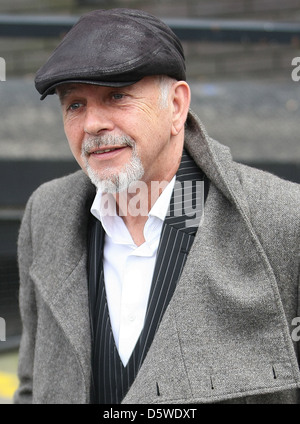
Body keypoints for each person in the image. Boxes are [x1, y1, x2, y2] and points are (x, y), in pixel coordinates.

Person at [14, 8, 300, 404]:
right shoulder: (46, 213)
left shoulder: (283, 219)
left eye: (117, 95)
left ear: (177, 107)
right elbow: (31, 385)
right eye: (74, 104)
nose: (93, 123)